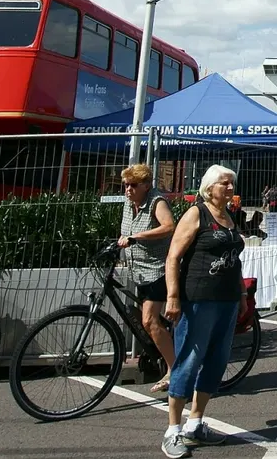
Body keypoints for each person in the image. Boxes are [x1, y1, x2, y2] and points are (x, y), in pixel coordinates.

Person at [162, 165, 248, 456]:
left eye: (231, 184)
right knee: (189, 359)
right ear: (209, 187)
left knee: (216, 361)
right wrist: (173, 297)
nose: (229, 188)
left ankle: (195, 423)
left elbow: (233, 258)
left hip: (227, 300)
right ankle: (173, 430)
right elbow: (173, 256)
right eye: (224, 183)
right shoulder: (197, 214)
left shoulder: (229, 217)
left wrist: (243, 294)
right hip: (198, 299)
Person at [117, 164, 177, 393]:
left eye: (133, 185)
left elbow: (169, 226)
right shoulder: (128, 204)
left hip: (158, 270)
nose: (128, 190)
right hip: (138, 270)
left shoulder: (156, 201)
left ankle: (174, 371)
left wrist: (136, 237)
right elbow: (125, 231)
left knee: (149, 321)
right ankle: (170, 350)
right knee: (153, 322)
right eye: (126, 185)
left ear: (145, 185)